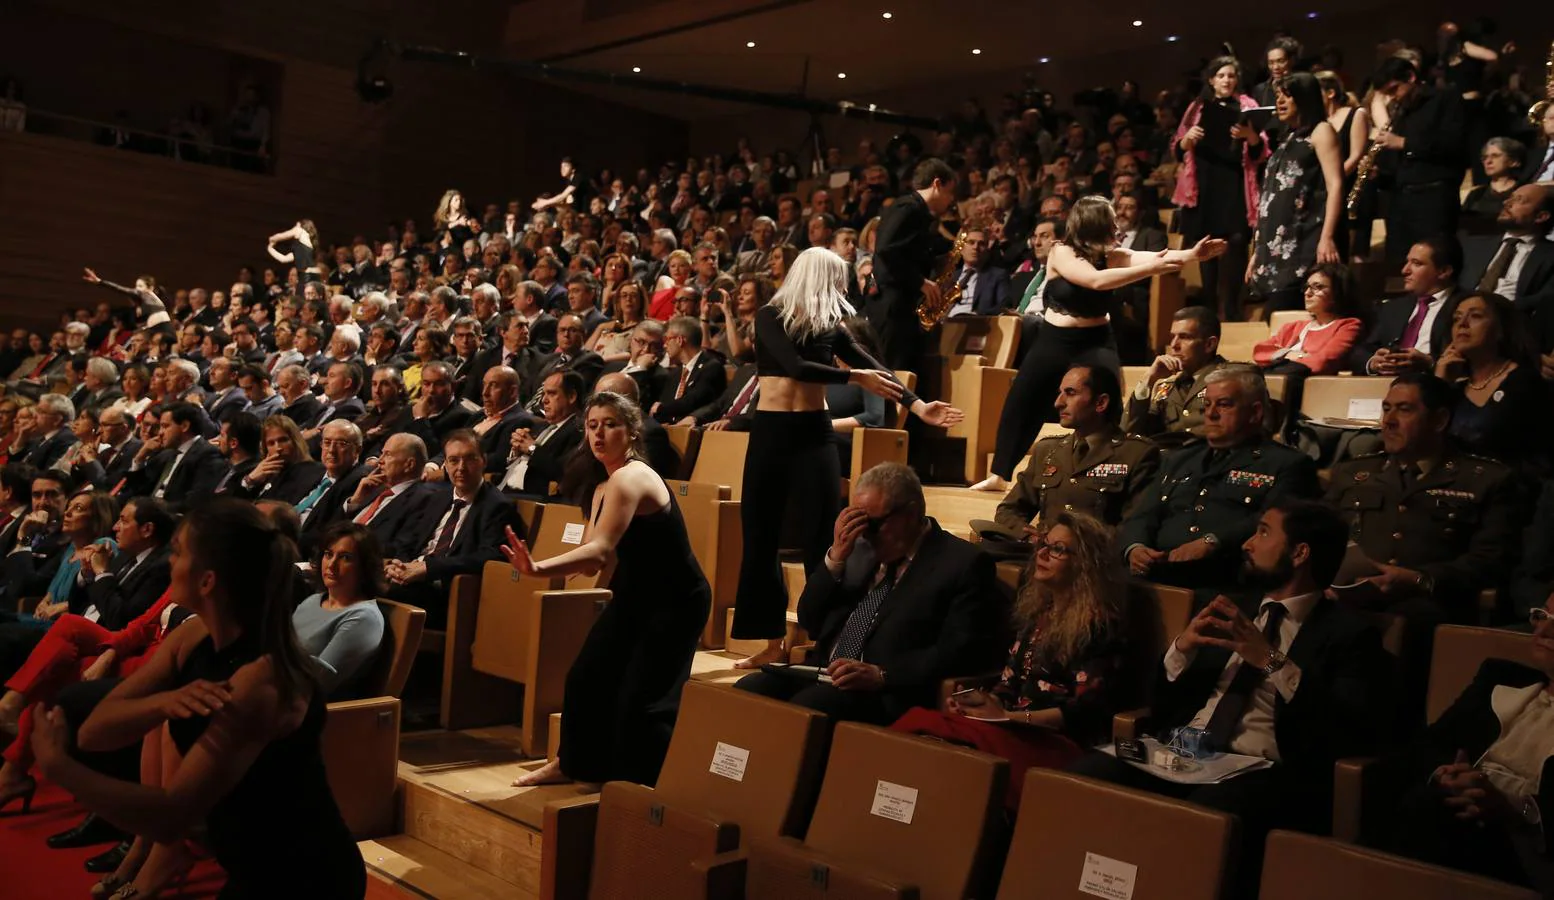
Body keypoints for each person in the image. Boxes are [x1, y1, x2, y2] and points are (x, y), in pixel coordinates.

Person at [34, 499, 366, 897]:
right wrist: (162, 703)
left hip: (304, 875)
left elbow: (172, 819)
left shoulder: (261, 682)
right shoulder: (191, 636)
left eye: (177, 553)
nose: (169, 564)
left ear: (207, 581)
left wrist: (58, 767)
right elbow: (93, 733)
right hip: (249, 863)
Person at [1071, 501, 1390, 896]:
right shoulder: (1232, 608)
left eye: (1263, 532)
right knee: (1086, 774)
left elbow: (1344, 727)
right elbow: (1167, 706)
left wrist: (1269, 660)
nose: (1248, 544)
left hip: (1264, 767)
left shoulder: (1348, 635)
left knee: (1208, 811)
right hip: (1183, 750)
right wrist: (1181, 651)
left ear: (1300, 552)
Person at [729, 248, 961, 668]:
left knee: (825, 536)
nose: (843, 289)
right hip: (772, 434)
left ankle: (825, 637)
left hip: (814, 435)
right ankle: (771, 643)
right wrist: (854, 377)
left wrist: (919, 403)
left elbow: (874, 366)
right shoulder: (769, 316)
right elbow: (796, 367)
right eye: (837, 281)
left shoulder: (831, 328)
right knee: (760, 537)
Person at [502, 393, 710, 788]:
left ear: (631, 431)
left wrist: (538, 568)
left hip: (675, 599)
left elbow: (599, 549)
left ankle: (637, 788)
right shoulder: (603, 483)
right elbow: (598, 559)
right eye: (592, 425)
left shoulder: (632, 477)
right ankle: (574, 764)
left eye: (610, 424)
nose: (599, 433)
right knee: (586, 678)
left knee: (644, 699)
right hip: (635, 591)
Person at [972, 196, 1222, 492]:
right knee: (1024, 399)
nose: (1116, 226)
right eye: (1111, 221)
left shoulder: (1111, 254)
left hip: (1096, 339)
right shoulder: (1061, 252)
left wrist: (1192, 254)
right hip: (1055, 338)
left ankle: (1107, 472)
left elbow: (1158, 257)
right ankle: (1000, 475)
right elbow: (1096, 281)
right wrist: (1152, 268)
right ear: (1093, 224)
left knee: (1110, 401)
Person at [735, 463, 1006, 723]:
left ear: (910, 514)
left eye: (873, 524)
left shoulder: (961, 563)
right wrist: (836, 558)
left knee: (806, 710)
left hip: (887, 692)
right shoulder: (857, 551)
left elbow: (958, 652)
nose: (864, 535)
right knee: (746, 692)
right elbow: (809, 620)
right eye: (858, 522)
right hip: (822, 672)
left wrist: (882, 674)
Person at [892, 511, 1128, 807]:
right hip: (1013, 728)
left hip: (1055, 741)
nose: (1042, 553)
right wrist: (980, 703)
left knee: (949, 743)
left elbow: (1084, 713)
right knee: (921, 723)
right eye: (1043, 543)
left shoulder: (1100, 626)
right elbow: (1008, 685)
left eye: (1057, 549)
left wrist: (1009, 719)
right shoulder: (1039, 612)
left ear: (1085, 564)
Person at [1327, 373, 1520, 718]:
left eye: (1404, 409)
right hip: (1347, 592)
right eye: (1386, 408)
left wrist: (1416, 578)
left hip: (1427, 600)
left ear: (1440, 420)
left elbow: (1491, 560)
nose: (1388, 420)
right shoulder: (1354, 472)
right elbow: (1322, 534)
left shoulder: (1486, 479)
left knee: (1407, 623)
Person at [0, 498, 174, 814]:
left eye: (124, 520)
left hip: (126, 646)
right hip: (99, 639)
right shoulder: (127, 559)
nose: (116, 527)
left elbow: (123, 619)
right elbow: (87, 603)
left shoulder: (161, 565)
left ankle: (12, 704)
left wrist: (102, 575)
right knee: (53, 666)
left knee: (65, 627)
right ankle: (11, 774)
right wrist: (89, 575)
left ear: (147, 529)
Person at [1381, 594, 1554, 894]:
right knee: (1426, 803)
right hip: (1454, 816)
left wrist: (1512, 807)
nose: (1543, 631)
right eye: (1543, 616)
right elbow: (1430, 743)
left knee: (1425, 811)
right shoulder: (1500, 676)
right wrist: (1445, 775)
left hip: (1529, 846)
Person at [1120, 367, 1320, 591]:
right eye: (1207, 405)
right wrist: (1135, 548)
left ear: (1255, 413)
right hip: (1155, 577)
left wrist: (1214, 541)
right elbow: (1143, 514)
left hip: (1227, 583)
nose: (1211, 414)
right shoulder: (1179, 458)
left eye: (1224, 405)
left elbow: (1272, 524)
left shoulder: (1286, 464)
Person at [978, 365, 1159, 544]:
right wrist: (1029, 536)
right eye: (1060, 393)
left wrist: (1074, 544)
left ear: (1101, 403)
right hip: (1043, 557)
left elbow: (1136, 526)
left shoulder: (1136, 453)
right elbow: (1009, 510)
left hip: (1097, 564)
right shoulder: (1047, 450)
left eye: (1070, 393)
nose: (1058, 402)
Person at [1172, 55, 1268, 319]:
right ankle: (1208, 314)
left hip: (1234, 184)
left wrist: (1250, 137)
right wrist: (1186, 140)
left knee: (1235, 245)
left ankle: (1232, 312)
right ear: (1212, 80)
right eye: (1222, 75)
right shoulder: (1197, 107)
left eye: (1231, 76)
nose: (1227, 80)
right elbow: (1178, 148)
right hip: (1204, 186)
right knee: (1206, 252)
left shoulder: (1247, 105)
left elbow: (1262, 150)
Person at [1246, 73, 1344, 314]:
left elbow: (1336, 185)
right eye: (1278, 95)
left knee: (1292, 314)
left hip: (1304, 240)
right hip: (1274, 247)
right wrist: (1257, 253)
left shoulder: (1321, 131)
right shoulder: (1287, 138)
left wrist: (1327, 236)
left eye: (1287, 95)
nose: (1280, 101)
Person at [1433, 292, 1548, 469]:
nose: (1462, 324)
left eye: (1475, 316)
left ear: (1500, 330)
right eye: (1456, 319)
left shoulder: (1524, 382)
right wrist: (1439, 382)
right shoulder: (1453, 387)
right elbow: (1425, 440)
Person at [1372, 58, 1467, 266]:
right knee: (1399, 267)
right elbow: (1399, 162)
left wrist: (1404, 142)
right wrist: (1378, 172)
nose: (1393, 98)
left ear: (1411, 77)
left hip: (1433, 199)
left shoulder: (1446, 99)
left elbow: (1453, 145)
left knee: (1434, 264)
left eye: (1394, 89)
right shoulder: (1400, 112)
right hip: (1401, 202)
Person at [867, 158, 960, 369]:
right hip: (892, 305)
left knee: (903, 371)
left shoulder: (916, 212)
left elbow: (903, 251)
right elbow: (886, 249)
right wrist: (921, 282)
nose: (951, 200)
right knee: (893, 371)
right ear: (937, 184)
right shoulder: (907, 208)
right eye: (949, 192)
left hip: (900, 304)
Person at [294, 523, 386, 700]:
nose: (332, 565)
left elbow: (318, 682)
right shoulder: (313, 600)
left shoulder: (364, 618)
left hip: (312, 711)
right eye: (329, 554)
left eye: (345, 557)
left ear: (364, 567)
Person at [1349, 237, 1467, 375]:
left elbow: (1477, 360)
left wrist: (1430, 363)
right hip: (1386, 387)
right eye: (1407, 262)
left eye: (1416, 263)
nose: (1404, 270)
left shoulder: (1467, 306)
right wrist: (1373, 362)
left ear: (1443, 271)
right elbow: (1360, 353)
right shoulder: (1394, 308)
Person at [1252, 264, 1365, 376]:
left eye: (1318, 287)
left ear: (1338, 292)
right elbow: (1259, 352)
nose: (1307, 293)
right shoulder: (1292, 327)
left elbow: (1321, 363)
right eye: (1307, 287)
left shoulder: (1348, 325)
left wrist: (1277, 357)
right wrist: (1290, 354)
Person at [501, 371, 583, 499]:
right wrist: (515, 453)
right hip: (506, 488)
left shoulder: (578, 430)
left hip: (532, 498)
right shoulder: (540, 426)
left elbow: (563, 472)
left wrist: (532, 449)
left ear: (571, 396)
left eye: (551, 393)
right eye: (544, 393)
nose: (544, 400)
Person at [1316, 70, 1371, 260]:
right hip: (1324, 190)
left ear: (1330, 93)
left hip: (1348, 186)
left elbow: (1356, 155)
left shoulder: (1356, 114)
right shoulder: (1319, 122)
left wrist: (1333, 179)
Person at [231, 415, 326, 505]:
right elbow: (234, 505)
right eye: (271, 443)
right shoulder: (261, 472)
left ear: (295, 441)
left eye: (283, 440)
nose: (278, 448)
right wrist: (250, 480)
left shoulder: (313, 471)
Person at [1462, 137, 1527, 234]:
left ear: (1514, 161)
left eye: (1495, 156)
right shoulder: (1476, 194)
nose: (1488, 162)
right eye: (1485, 158)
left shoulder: (1523, 191)